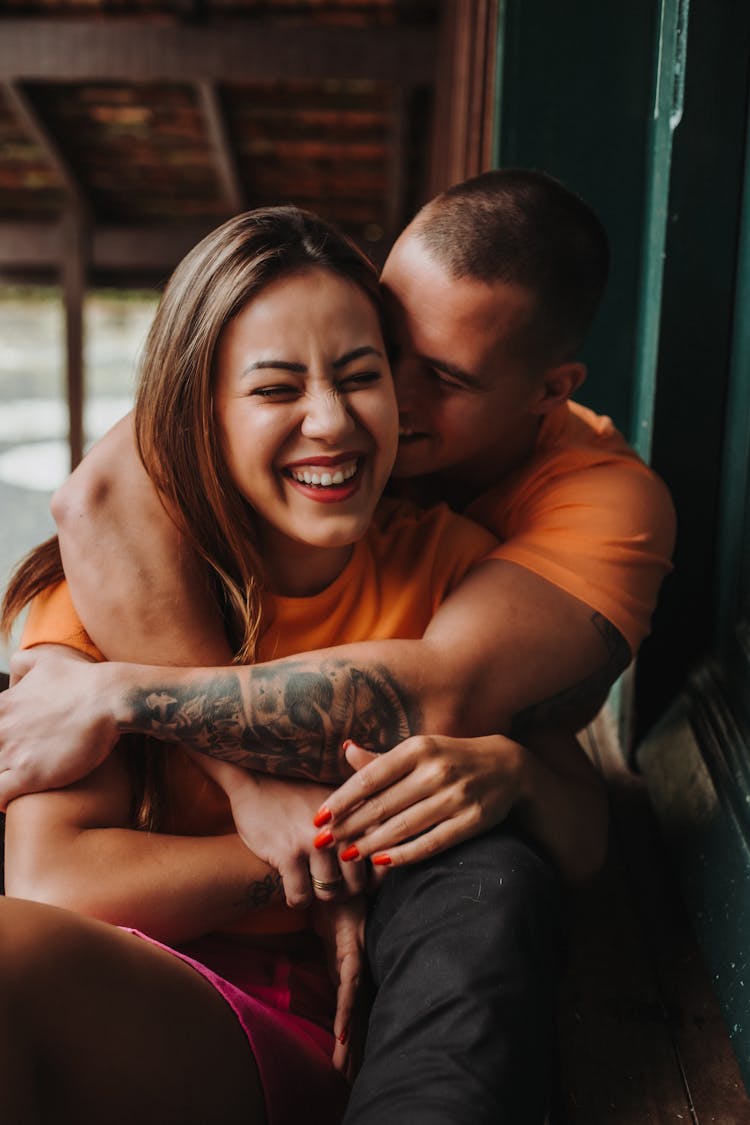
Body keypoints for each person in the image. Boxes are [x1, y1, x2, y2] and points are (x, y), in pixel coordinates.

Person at [0, 170, 672, 1122]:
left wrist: (128, 697)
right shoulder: (122, 576)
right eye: (387, 351)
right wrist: (272, 819)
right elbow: (50, 879)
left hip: (302, 1008)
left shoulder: (480, 565)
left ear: (547, 392)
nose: (365, 408)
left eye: (381, 371)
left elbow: (501, 746)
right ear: (199, 414)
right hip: (127, 986)